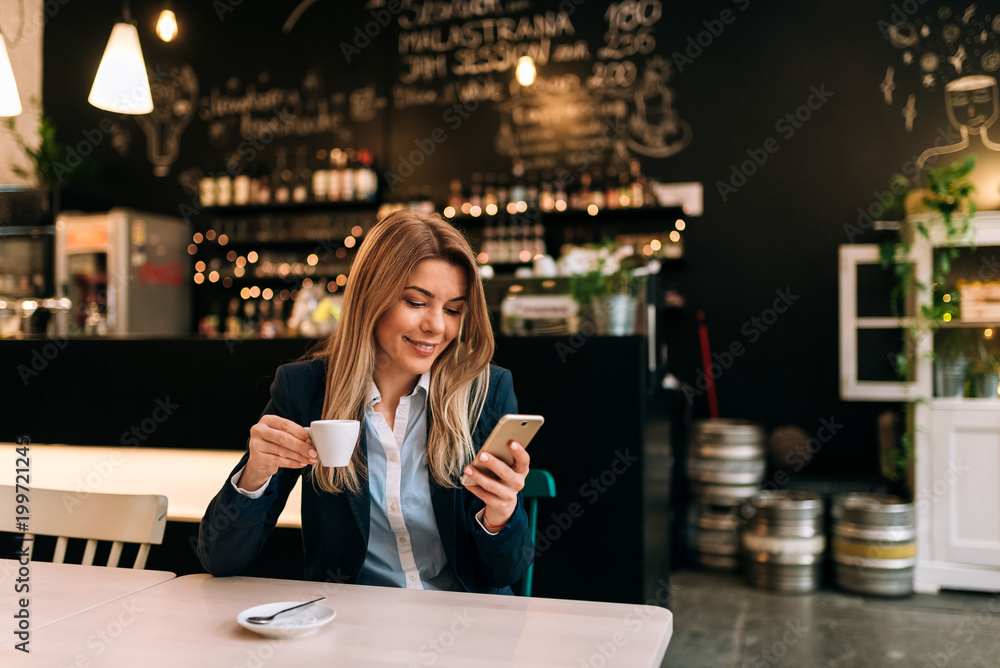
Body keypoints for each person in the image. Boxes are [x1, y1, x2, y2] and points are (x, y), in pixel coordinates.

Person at [197, 210, 534, 595]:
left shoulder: (485, 391)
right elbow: (219, 559)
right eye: (415, 302)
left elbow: (505, 572)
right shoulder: (305, 389)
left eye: (453, 309)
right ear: (371, 295)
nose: (438, 327)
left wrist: (501, 516)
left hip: (461, 628)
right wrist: (255, 474)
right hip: (352, 627)